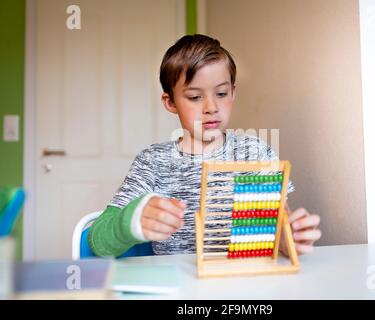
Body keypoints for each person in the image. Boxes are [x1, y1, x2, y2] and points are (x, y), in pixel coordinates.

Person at [88, 34, 321, 258]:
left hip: (247, 283)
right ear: (170, 102)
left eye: (221, 93)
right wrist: (131, 221)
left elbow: (279, 223)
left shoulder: (256, 152)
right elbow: (98, 242)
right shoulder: (153, 162)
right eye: (194, 97)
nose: (211, 107)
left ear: (233, 92)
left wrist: (287, 238)